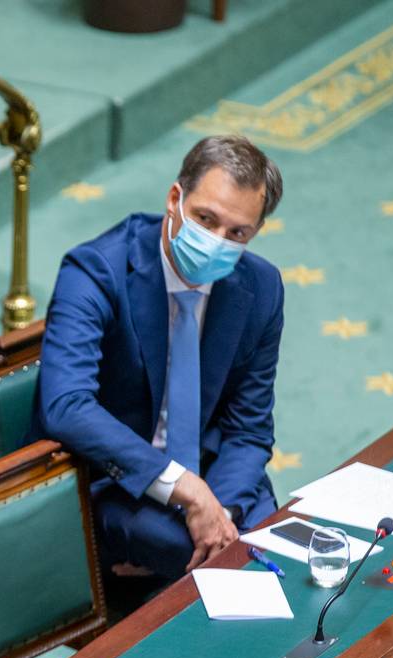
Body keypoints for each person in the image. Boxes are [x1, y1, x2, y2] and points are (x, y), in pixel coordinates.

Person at [32, 135, 284, 582]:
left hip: (214, 476)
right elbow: (66, 407)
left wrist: (218, 510)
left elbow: (249, 430)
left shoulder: (260, 288)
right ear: (175, 199)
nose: (217, 240)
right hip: (120, 480)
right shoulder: (95, 271)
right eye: (205, 219)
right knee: (222, 568)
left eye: (237, 233)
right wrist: (185, 490)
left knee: (277, 545)